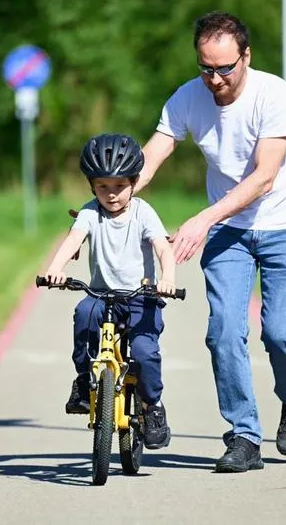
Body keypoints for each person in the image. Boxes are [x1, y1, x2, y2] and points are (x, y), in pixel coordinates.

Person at [134, 11, 286, 472]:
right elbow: (151, 158)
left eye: (224, 68)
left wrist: (202, 220)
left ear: (246, 57)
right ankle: (243, 436)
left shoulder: (274, 94)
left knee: (280, 333)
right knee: (223, 332)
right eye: (205, 68)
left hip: (285, 226)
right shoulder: (187, 98)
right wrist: (111, 195)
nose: (214, 79)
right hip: (230, 235)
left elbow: (264, 177)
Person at [41, 133, 177, 450]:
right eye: (103, 187)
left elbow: (162, 248)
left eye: (119, 186)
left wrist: (167, 277)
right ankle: (82, 379)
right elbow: (73, 240)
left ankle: (152, 407)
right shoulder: (90, 213)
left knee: (144, 352)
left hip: (141, 296)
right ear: (92, 186)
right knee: (83, 315)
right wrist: (56, 268)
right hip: (102, 294)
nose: (112, 195)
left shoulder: (143, 212)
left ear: (133, 183)